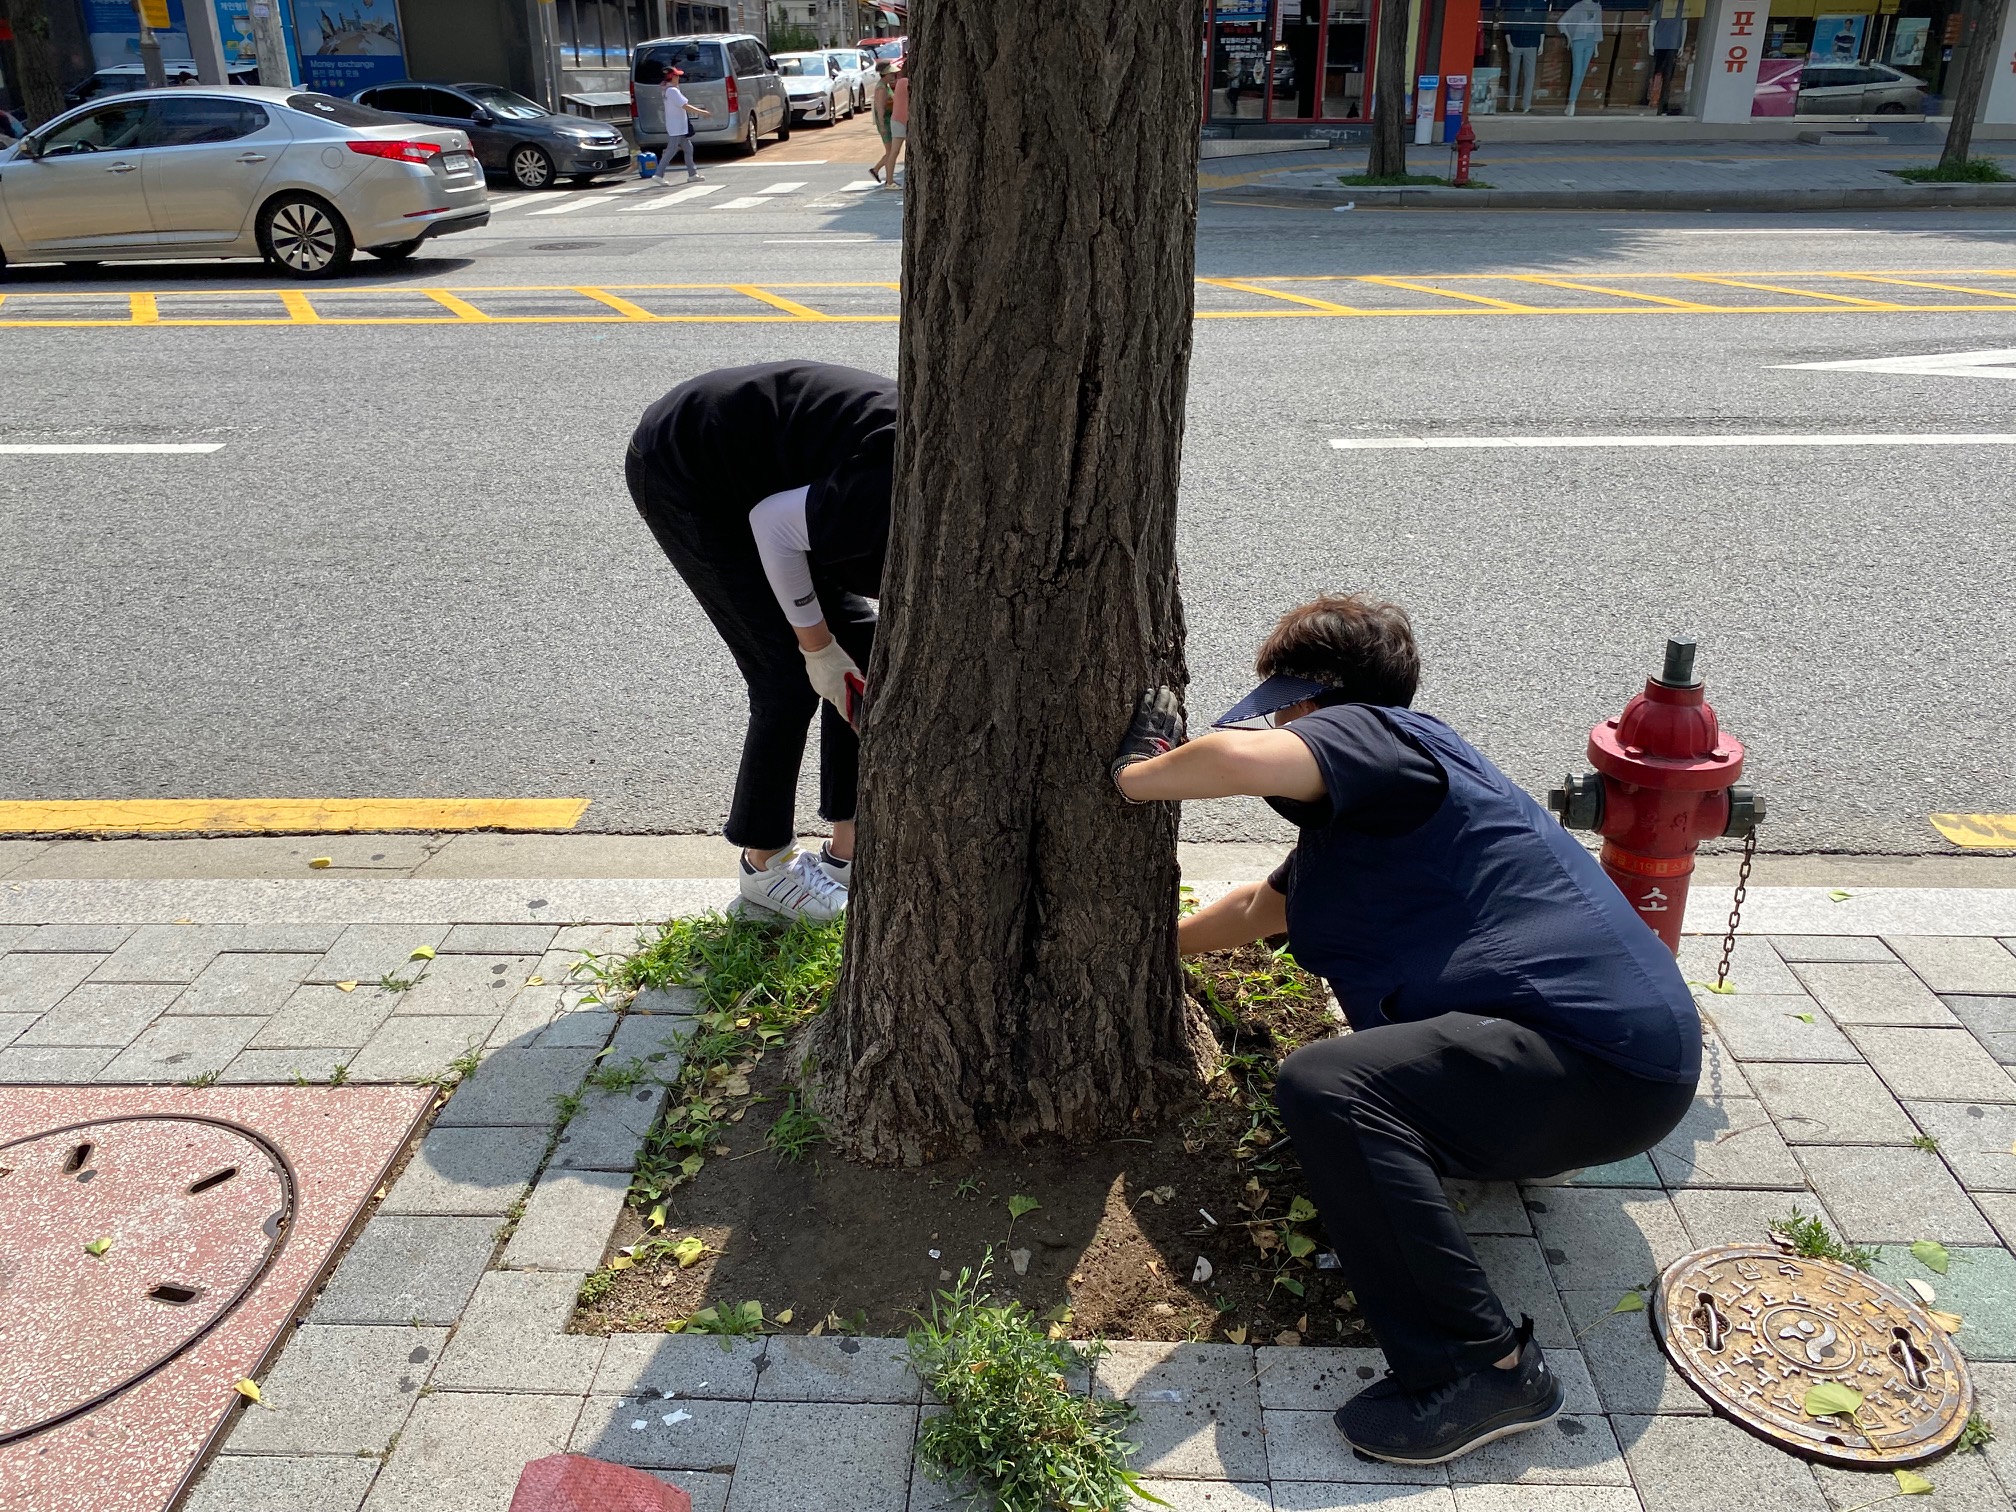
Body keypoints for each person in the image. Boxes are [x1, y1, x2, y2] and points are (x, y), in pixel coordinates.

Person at [1108, 594, 1700, 1467]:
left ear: (1317, 700)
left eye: (1284, 708)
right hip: (1615, 1069)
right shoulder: (1386, 805)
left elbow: (1233, 757)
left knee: (1328, 1085)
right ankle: (1496, 1165)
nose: (1280, 725)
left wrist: (1137, 773)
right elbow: (1259, 909)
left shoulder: (1377, 733)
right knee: (1364, 1089)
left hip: (1599, 1064)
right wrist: (1138, 951)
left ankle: (1484, 1368)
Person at [628, 363, 896, 922]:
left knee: (862, 654)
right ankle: (764, 864)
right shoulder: (887, 493)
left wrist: (833, 650)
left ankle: (848, 850)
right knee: (785, 678)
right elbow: (775, 525)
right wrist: (816, 648)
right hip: (691, 466)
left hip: (778, 481)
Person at [659, 65, 711, 183]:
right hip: (676, 126)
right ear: (672, 77)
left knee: (688, 148)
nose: (679, 78)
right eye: (677, 76)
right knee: (671, 151)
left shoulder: (669, 89)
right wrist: (702, 112)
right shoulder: (672, 91)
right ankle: (658, 174)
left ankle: (692, 174)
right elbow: (685, 106)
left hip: (679, 126)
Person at [879, 50, 910, 191]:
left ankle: (889, 180)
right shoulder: (904, 82)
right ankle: (889, 180)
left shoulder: (900, 82)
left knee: (895, 151)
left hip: (900, 119)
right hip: (900, 120)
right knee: (894, 151)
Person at [868, 61, 895, 182]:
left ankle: (877, 170)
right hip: (885, 122)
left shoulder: (885, 86)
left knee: (891, 150)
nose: (893, 75)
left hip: (889, 120)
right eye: (890, 73)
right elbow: (880, 108)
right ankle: (878, 171)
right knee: (890, 151)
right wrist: (882, 125)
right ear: (885, 74)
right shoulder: (881, 88)